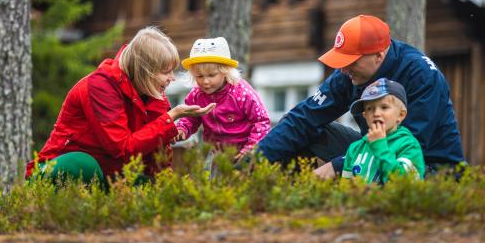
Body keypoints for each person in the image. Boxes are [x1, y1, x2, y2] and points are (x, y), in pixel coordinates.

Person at [257, 14, 464, 178]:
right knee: (300, 128)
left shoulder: (421, 75)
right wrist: (253, 161)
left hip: (425, 166)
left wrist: (339, 165)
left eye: (352, 61)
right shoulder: (348, 75)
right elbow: (303, 118)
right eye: (342, 60)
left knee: (389, 164)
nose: (344, 69)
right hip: (372, 147)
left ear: (379, 55)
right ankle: (298, 199)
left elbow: (406, 145)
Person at [25, 26, 215, 185]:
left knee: (144, 184)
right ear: (144, 71)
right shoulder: (101, 86)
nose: (172, 78)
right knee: (83, 163)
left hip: (106, 178)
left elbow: (157, 157)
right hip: (54, 172)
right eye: (166, 72)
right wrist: (171, 117)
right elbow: (122, 148)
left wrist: (166, 189)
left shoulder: (153, 95)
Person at [175, 37, 270, 161]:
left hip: (242, 152)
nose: (205, 81)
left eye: (211, 75)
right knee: (213, 180)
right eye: (199, 76)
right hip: (215, 154)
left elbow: (261, 121)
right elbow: (191, 117)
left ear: (225, 71)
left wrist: (250, 149)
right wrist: (183, 128)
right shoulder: (196, 95)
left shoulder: (242, 93)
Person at [342, 78, 425, 183]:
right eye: (369, 109)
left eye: (384, 107)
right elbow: (345, 188)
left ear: (401, 115)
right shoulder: (355, 148)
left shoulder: (408, 145)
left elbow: (405, 185)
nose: (376, 113)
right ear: (364, 116)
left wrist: (380, 146)